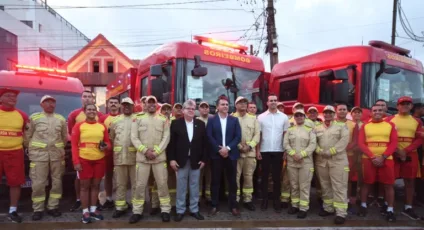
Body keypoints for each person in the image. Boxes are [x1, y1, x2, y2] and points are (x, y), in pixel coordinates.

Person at [25, 95, 67, 221]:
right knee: (38, 183)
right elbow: (27, 137)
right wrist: (32, 149)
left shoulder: (61, 119)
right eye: (47, 102)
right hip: (39, 156)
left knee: (57, 182)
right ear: (41, 105)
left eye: (52, 102)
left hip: (57, 156)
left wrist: (58, 148)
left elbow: (64, 137)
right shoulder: (34, 118)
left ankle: (53, 207)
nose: (50, 104)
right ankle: (38, 209)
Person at [130, 96, 171, 223]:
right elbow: (134, 137)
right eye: (149, 103)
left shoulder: (163, 119)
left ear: (157, 105)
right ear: (145, 105)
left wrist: (157, 152)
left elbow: (166, 137)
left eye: (154, 103)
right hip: (143, 159)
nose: (152, 105)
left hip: (159, 159)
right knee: (140, 186)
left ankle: (165, 210)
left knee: (162, 185)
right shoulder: (137, 118)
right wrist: (145, 151)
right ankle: (137, 211)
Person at [168, 99, 207, 222]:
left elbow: (205, 144)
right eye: (188, 108)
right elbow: (171, 144)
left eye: (192, 108)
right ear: (183, 110)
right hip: (181, 160)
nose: (190, 110)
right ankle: (180, 210)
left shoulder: (200, 124)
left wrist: (204, 159)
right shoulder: (175, 124)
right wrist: (172, 159)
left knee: (195, 186)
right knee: (181, 186)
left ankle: (194, 210)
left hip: (196, 161)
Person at [71, 103, 111, 224]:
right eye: (89, 109)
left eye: (94, 109)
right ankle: (85, 211)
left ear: (96, 112)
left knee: (96, 186)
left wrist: (105, 147)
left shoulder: (102, 126)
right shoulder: (78, 126)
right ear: (84, 111)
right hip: (84, 159)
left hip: (99, 159)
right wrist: (76, 161)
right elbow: (73, 146)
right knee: (84, 186)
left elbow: (108, 144)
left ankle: (93, 209)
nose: (92, 111)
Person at [357, 104, 397, 222]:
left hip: (386, 159)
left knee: (388, 185)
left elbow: (393, 143)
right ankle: (363, 206)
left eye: (380, 110)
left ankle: (390, 209)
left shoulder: (390, 125)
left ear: (384, 111)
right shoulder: (365, 126)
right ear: (371, 113)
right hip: (369, 159)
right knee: (366, 183)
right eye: (375, 110)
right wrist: (373, 157)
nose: (377, 112)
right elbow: (361, 143)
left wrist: (383, 157)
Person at [386, 96, 423, 220]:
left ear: (411, 106)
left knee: (410, 181)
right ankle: (389, 207)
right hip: (393, 153)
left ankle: (408, 207)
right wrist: (397, 150)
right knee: (390, 181)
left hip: (410, 154)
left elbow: (419, 139)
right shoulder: (389, 119)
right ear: (397, 106)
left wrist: (405, 151)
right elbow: (385, 136)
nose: (405, 106)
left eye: (408, 104)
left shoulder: (417, 121)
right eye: (402, 104)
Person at [68, 90, 104, 212]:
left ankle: (94, 203)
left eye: (90, 97)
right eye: (85, 96)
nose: (87, 98)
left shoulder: (100, 115)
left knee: (95, 182)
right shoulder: (74, 114)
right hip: (82, 155)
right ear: (81, 98)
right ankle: (79, 200)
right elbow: (70, 133)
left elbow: (102, 134)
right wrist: (76, 158)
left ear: (93, 100)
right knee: (80, 180)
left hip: (97, 155)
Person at [207, 96, 242, 217]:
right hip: (217, 156)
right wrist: (219, 149)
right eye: (222, 104)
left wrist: (227, 148)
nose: (225, 106)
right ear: (217, 107)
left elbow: (238, 136)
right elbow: (209, 136)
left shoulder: (234, 120)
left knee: (232, 182)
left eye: (227, 104)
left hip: (231, 155)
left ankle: (233, 206)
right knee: (215, 181)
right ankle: (214, 205)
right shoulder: (211, 120)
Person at [314, 105, 349, 225]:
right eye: (326, 113)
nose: (328, 114)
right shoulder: (317, 128)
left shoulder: (341, 126)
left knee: (339, 186)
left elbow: (344, 141)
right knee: (325, 185)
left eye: (330, 112)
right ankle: (328, 208)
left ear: (334, 114)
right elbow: (314, 142)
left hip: (338, 161)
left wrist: (331, 152)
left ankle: (340, 213)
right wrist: (319, 151)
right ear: (323, 114)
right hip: (322, 161)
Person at [0, 88, 28, 223]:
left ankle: (13, 210)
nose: (12, 98)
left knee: (15, 182)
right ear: (1, 99)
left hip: (15, 152)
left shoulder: (22, 115)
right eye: (8, 95)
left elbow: (26, 134)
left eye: (14, 96)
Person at [257, 94, 289, 213]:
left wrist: (285, 150)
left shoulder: (284, 117)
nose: (273, 102)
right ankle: (264, 200)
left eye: (275, 100)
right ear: (267, 103)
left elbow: (286, 135)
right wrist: (258, 150)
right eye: (271, 100)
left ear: (277, 102)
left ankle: (276, 201)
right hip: (264, 151)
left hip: (278, 151)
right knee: (264, 177)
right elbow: (259, 135)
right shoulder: (261, 117)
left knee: (277, 178)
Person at [283, 109, 316, 218]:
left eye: (301, 115)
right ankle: (295, 205)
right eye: (297, 115)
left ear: (304, 117)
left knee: (304, 186)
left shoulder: (310, 130)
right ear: (294, 117)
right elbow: (286, 144)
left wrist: (301, 155)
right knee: (294, 185)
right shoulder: (290, 130)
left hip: (305, 162)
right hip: (292, 162)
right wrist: (293, 154)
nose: (299, 117)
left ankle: (303, 208)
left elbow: (312, 145)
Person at [109, 98, 137, 218]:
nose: (126, 107)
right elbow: (111, 137)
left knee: (136, 184)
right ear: (121, 106)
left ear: (133, 106)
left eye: (129, 105)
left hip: (134, 157)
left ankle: (137, 207)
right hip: (119, 157)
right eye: (124, 105)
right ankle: (120, 207)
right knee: (120, 184)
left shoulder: (138, 119)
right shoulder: (115, 121)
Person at [232, 96, 260, 211]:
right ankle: (236, 199)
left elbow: (257, 135)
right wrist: (239, 146)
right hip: (236, 153)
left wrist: (250, 146)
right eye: (240, 102)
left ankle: (247, 199)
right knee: (236, 177)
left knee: (248, 177)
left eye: (245, 102)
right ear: (236, 105)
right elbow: (230, 135)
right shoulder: (232, 118)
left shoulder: (253, 119)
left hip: (250, 153)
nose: (243, 104)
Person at [151, 103, 176, 215]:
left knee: (172, 181)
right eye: (164, 109)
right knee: (158, 182)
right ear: (160, 111)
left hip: (171, 155)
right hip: (159, 155)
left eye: (168, 109)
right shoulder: (157, 122)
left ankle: (173, 204)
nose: (166, 111)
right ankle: (155, 204)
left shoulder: (174, 123)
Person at [335, 103, 358, 214]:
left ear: (347, 111)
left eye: (344, 109)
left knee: (347, 179)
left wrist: (344, 149)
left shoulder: (353, 124)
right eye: (340, 109)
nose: (342, 111)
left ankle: (347, 200)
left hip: (348, 155)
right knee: (334, 179)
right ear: (336, 111)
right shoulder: (332, 123)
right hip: (334, 155)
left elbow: (355, 140)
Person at [99, 97, 120, 210]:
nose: (113, 104)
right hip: (108, 152)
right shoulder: (103, 118)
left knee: (122, 177)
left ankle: (121, 200)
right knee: (108, 176)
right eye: (111, 103)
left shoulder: (123, 118)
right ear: (108, 105)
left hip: (121, 152)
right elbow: (99, 134)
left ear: (119, 105)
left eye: (115, 103)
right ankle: (109, 198)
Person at [197, 101, 212, 204]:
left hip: (211, 152)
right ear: (199, 110)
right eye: (202, 107)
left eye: (206, 107)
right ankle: (197, 196)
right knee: (198, 175)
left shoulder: (213, 120)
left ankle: (208, 195)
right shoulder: (195, 121)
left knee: (209, 175)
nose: (205, 109)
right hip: (199, 153)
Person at [278, 102, 291, 208]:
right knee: (277, 175)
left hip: (287, 153)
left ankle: (287, 199)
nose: (280, 109)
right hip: (276, 150)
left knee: (287, 177)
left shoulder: (287, 120)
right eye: (279, 108)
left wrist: (287, 152)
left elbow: (286, 138)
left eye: (282, 107)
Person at [411, 103, 424, 205]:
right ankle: (417, 196)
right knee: (416, 175)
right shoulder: (414, 121)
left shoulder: (420, 120)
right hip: (416, 150)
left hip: (420, 150)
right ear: (417, 109)